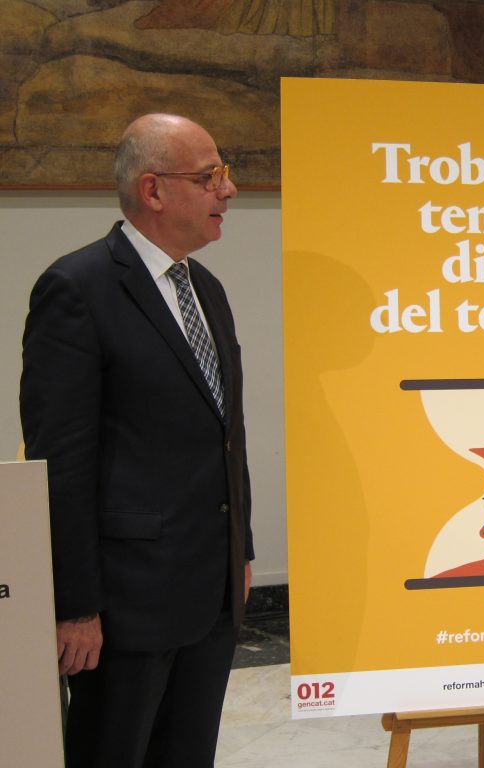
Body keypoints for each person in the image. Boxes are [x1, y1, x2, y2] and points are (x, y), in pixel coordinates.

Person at [20, 113, 254, 768]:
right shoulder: (77, 289)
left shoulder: (206, 289)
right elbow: (61, 463)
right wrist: (74, 606)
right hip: (125, 609)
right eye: (210, 176)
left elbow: (226, 435)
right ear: (153, 190)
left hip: (209, 595)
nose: (228, 190)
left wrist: (240, 548)